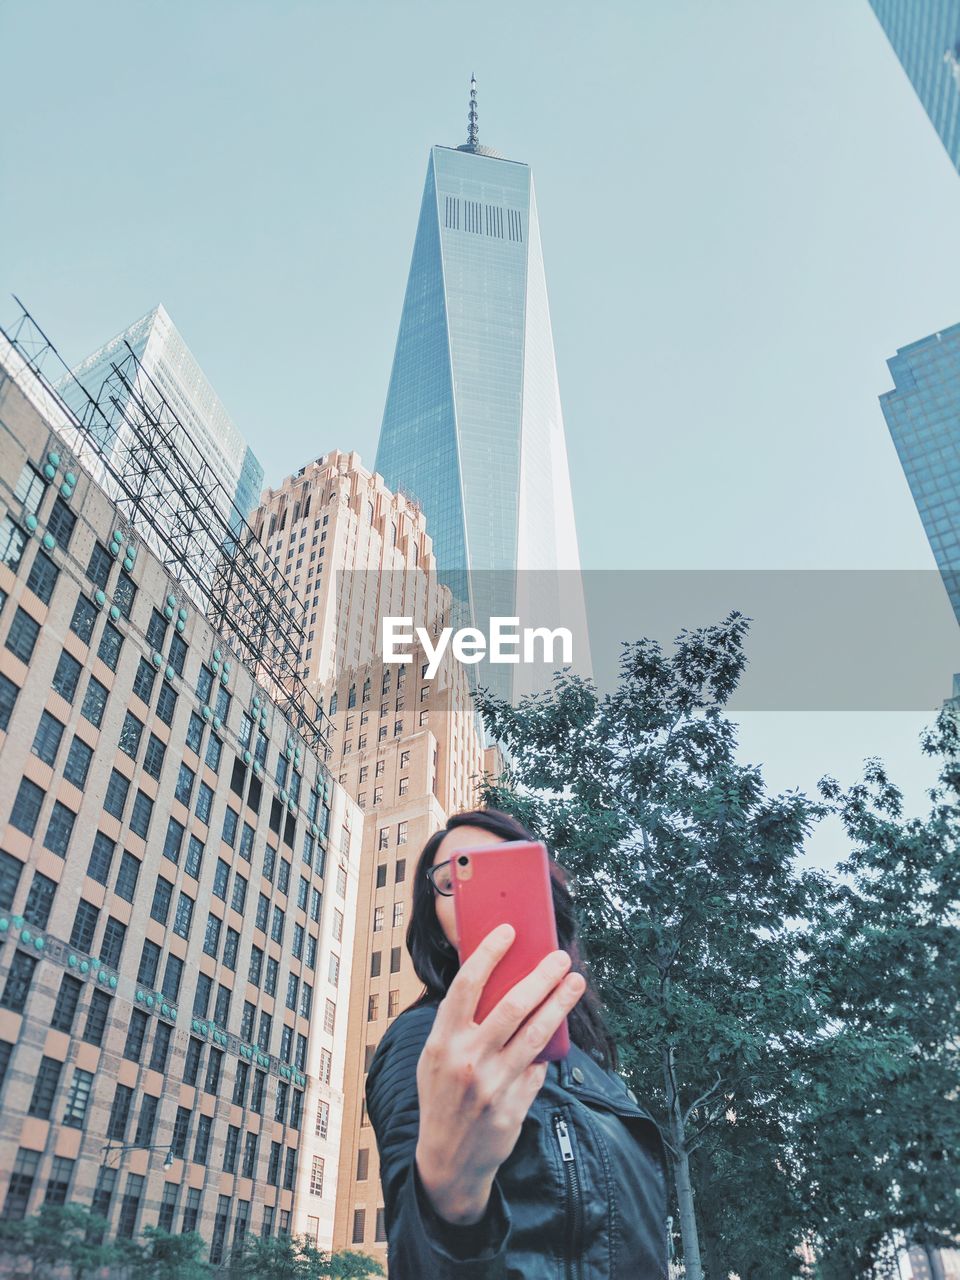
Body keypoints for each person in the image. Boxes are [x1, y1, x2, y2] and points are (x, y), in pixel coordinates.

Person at [365, 808, 669, 1278]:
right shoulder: (425, 1040)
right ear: (439, 929)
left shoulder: (594, 1064)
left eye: (506, 865)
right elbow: (413, 1251)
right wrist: (449, 1199)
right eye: (453, 878)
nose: (481, 888)